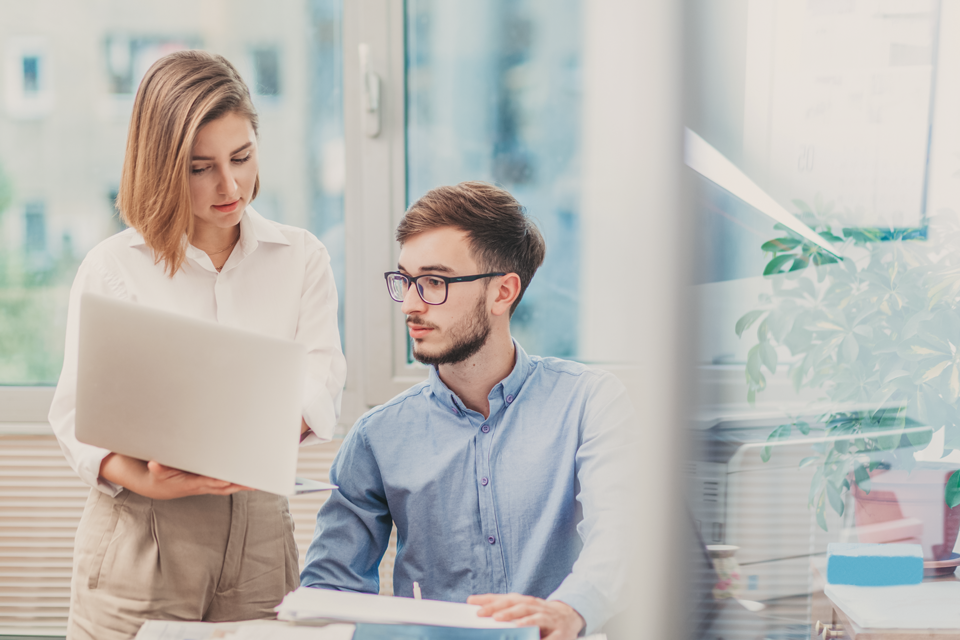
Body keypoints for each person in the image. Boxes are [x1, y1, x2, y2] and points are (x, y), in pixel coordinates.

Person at [48, 50, 346, 640]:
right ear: (161, 166)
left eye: (242, 157)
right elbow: (76, 416)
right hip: (143, 530)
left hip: (259, 531)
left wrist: (262, 432)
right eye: (200, 167)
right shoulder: (113, 267)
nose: (229, 185)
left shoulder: (301, 257)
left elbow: (322, 381)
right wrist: (147, 479)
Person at [300, 181, 635, 639]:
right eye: (406, 281)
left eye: (435, 282)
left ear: (503, 292)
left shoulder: (589, 403)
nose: (412, 305)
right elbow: (329, 592)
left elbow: (621, 537)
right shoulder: (377, 437)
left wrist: (568, 611)